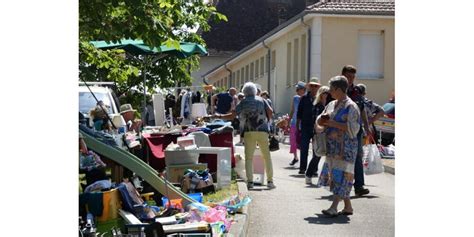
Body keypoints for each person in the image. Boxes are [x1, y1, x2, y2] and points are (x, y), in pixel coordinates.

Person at [215, 82, 275, 189]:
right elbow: (270, 111)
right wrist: (267, 121)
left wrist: (220, 115)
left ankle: (250, 182)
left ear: (244, 92)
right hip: (262, 131)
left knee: (249, 158)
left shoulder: (242, 103)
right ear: (255, 91)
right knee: (266, 156)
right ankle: (270, 181)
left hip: (248, 131)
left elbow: (232, 115)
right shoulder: (262, 100)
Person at [316, 75, 360, 217]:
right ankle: (348, 207)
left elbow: (354, 129)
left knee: (342, 176)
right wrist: (321, 123)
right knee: (336, 176)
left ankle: (334, 207)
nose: (330, 92)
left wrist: (332, 124)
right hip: (332, 148)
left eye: (332, 89)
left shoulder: (351, 106)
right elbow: (321, 119)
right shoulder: (332, 104)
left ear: (340, 89)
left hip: (346, 149)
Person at [342, 65, 369, 196]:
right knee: (341, 156)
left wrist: (367, 127)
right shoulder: (337, 89)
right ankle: (339, 184)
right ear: (343, 75)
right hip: (341, 129)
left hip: (356, 130)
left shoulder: (357, 91)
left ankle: (359, 186)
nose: (351, 79)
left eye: (353, 77)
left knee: (358, 156)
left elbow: (362, 110)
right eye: (348, 76)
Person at [305, 85, 330, 184]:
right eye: (325, 93)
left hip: (326, 134)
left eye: (328, 93)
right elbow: (316, 122)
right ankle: (308, 175)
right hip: (319, 134)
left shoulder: (326, 105)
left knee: (326, 156)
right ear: (322, 94)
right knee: (317, 155)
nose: (327, 95)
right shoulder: (318, 106)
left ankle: (326, 178)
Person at [296, 77, 321, 175]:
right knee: (304, 148)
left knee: (316, 150)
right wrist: (298, 125)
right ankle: (302, 168)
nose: (314, 87)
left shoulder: (320, 99)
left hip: (317, 127)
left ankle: (313, 169)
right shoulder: (304, 98)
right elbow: (299, 112)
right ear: (309, 87)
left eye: (316, 86)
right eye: (312, 86)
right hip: (305, 126)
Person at [288, 81, 306, 166]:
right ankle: (295, 157)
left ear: (303, 90)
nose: (297, 90)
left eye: (299, 89)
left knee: (301, 143)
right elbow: (292, 110)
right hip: (294, 123)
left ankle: (303, 159)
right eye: (297, 89)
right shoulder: (295, 98)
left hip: (302, 124)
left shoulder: (306, 99)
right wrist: (288, 120)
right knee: (293, 141)